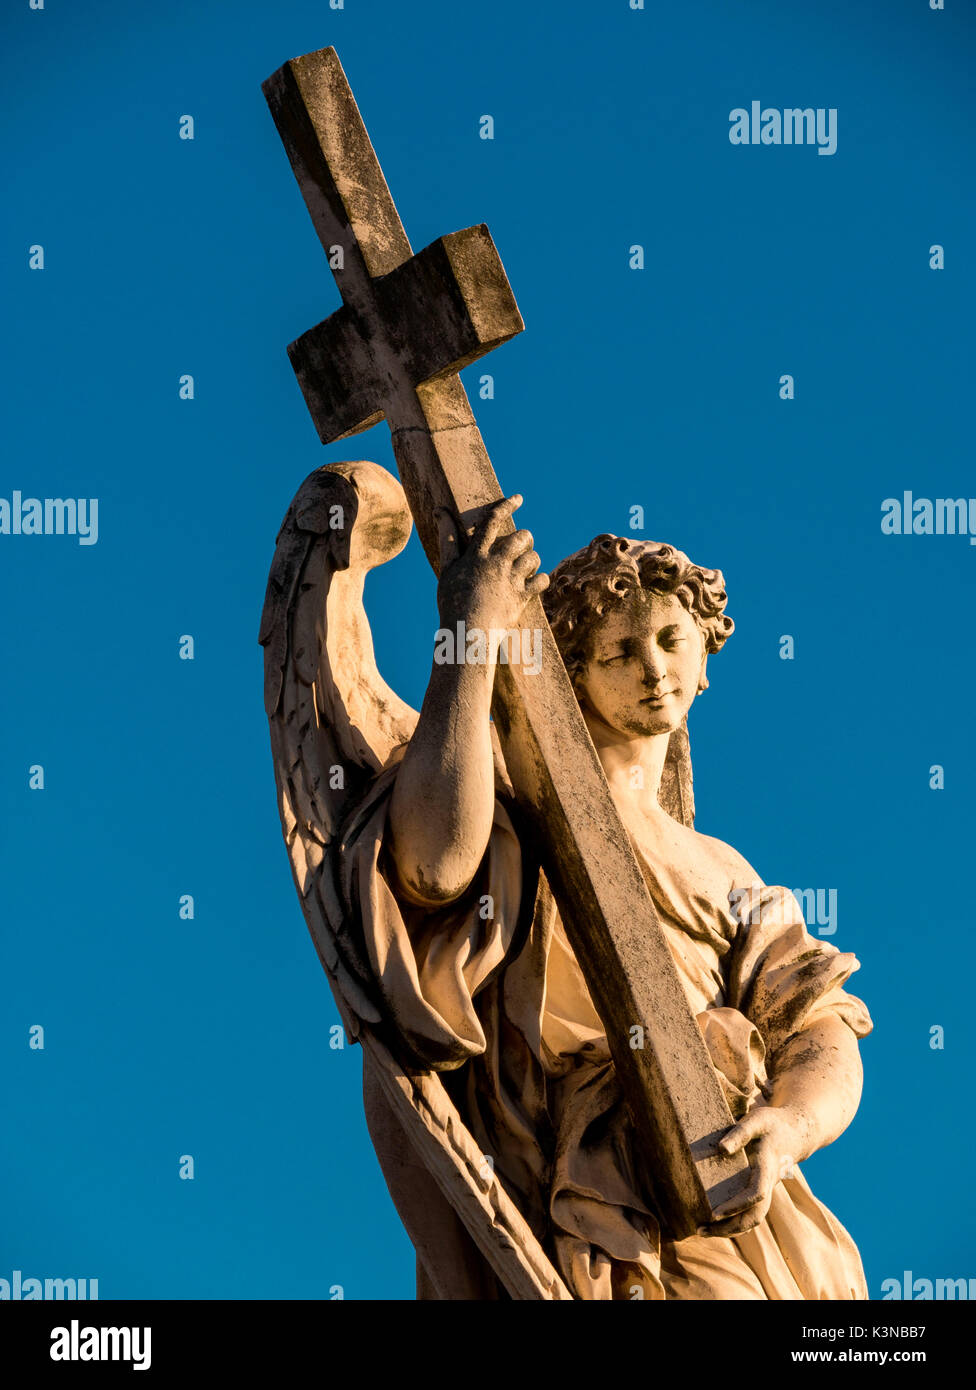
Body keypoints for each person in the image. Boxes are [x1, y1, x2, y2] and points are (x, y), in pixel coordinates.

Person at [342, 495, 873, 1299]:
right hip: (564, 1169)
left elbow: (819, 1027)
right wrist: (473, 632)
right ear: (576, 673)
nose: (653, 667)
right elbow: (431, 869)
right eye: (620, 650)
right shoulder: (514, 793)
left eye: (669, 640)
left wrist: (788, 1128)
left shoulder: (727, 870)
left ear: (705, 656)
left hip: (719, 1167)